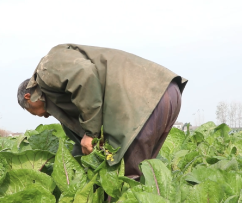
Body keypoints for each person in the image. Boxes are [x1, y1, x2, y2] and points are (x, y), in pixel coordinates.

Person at [17, 44, 187, 178]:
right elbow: (80, 143)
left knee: (125, 181)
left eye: (34, 112)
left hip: (145, 99)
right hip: (165, 92)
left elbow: (84, 74)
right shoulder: (60, 100)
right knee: (144, 174)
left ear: (28, 97)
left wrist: (91, 133)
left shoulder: (46, 68)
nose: (43, 116)